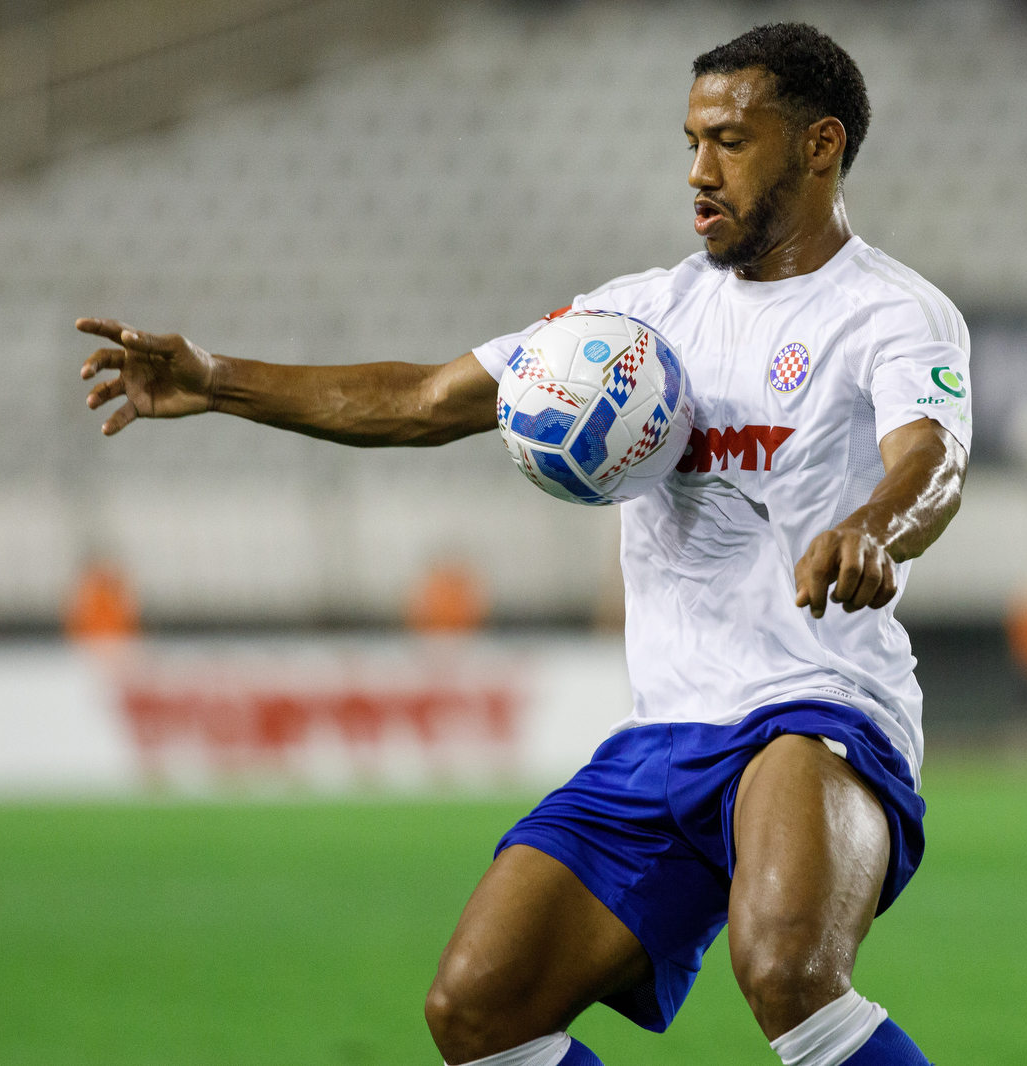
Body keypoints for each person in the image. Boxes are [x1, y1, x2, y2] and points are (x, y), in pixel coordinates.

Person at [78, 23, 969, 1066]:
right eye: (688, 140)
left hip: (819, 702)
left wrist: (872, 528)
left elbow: (933, 460)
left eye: (729, 140)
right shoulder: (632, 320)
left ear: (820, 145)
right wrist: (218, 379)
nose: (697, 170)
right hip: (669, 729)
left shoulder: (891, 313)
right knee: (478, 1011)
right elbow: (422, 398)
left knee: (784, 970)